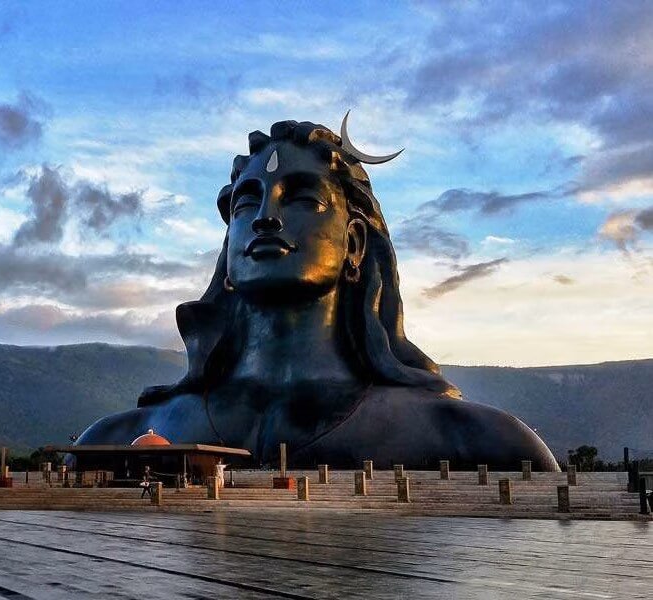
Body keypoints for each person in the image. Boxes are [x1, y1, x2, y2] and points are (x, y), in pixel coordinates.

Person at [77, 118, 558, 472]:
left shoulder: (478, 442)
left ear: (353, 243)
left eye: (303, 197)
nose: (266, 216)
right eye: (248, 202)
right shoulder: (116, 441)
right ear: (228, 257)